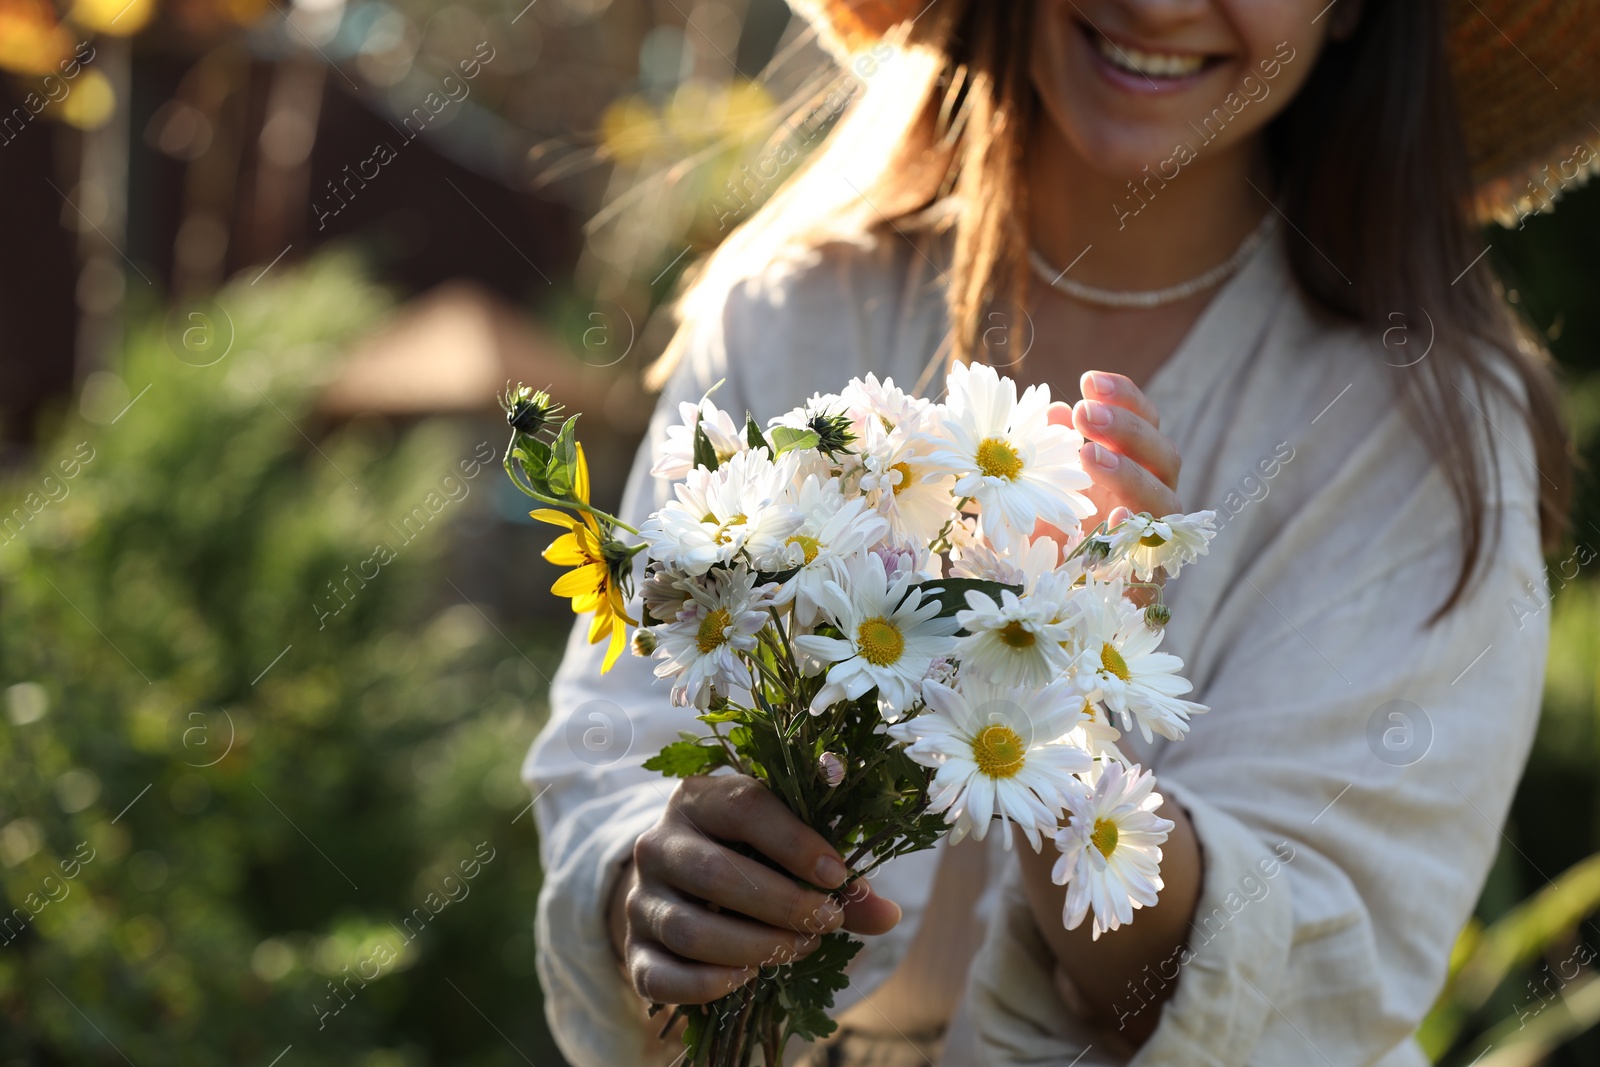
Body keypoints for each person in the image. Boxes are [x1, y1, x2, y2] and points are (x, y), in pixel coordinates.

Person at [526, 1, 1592, 1064]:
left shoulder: (1420, 433)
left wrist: (1062, 675)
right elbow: (613, 735)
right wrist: (651, 883)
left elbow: (1305, 984)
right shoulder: (793, 307)